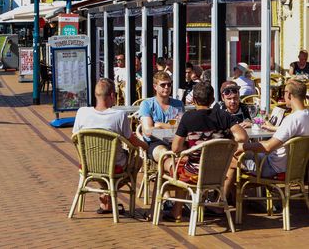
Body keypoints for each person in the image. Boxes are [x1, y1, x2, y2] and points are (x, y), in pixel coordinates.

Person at [165, 82, 248, 220]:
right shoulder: (223, 116)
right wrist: (226, 142)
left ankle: (176, 210)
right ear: (212, 100)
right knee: (183, 163)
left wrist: (190, 149)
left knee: (173, 163)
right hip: (218, 171)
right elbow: (242, 136)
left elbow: (175, 148)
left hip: (195, 171)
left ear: (195, 100)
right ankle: (215, 204)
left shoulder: (188, 117)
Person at [72, 78, 147, 214]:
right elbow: (132, 141)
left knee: (105, 164)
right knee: (138, 160)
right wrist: (145, 145)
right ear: (112, 95)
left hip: (88, 163)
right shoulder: (119, 115)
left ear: (96, 95)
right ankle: (108, 194)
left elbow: (75, 137)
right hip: (113, 165)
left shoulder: (82, 113)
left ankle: (105, 197)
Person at [237, 79, 309, 178]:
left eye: (284, 92)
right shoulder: (305, 116)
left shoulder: (291, 119)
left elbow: (267, 147)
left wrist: (243, 146)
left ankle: (227, 193)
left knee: (230, 158)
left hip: (271, 168)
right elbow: (293, 131)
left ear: (289, 94)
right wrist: (273, 128)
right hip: (295, 169)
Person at [139, 71, 184, 163]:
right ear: (155, 87)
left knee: (191, 153)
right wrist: (172, 130)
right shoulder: (147, 104)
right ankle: (174, 172)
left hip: (176, 141)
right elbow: (148, 131)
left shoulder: (178, 104)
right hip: (154, 143)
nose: (167, 87)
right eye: (163, 85)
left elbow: (181, 127)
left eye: (169, 84)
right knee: (165, 155)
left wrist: (160, 125)